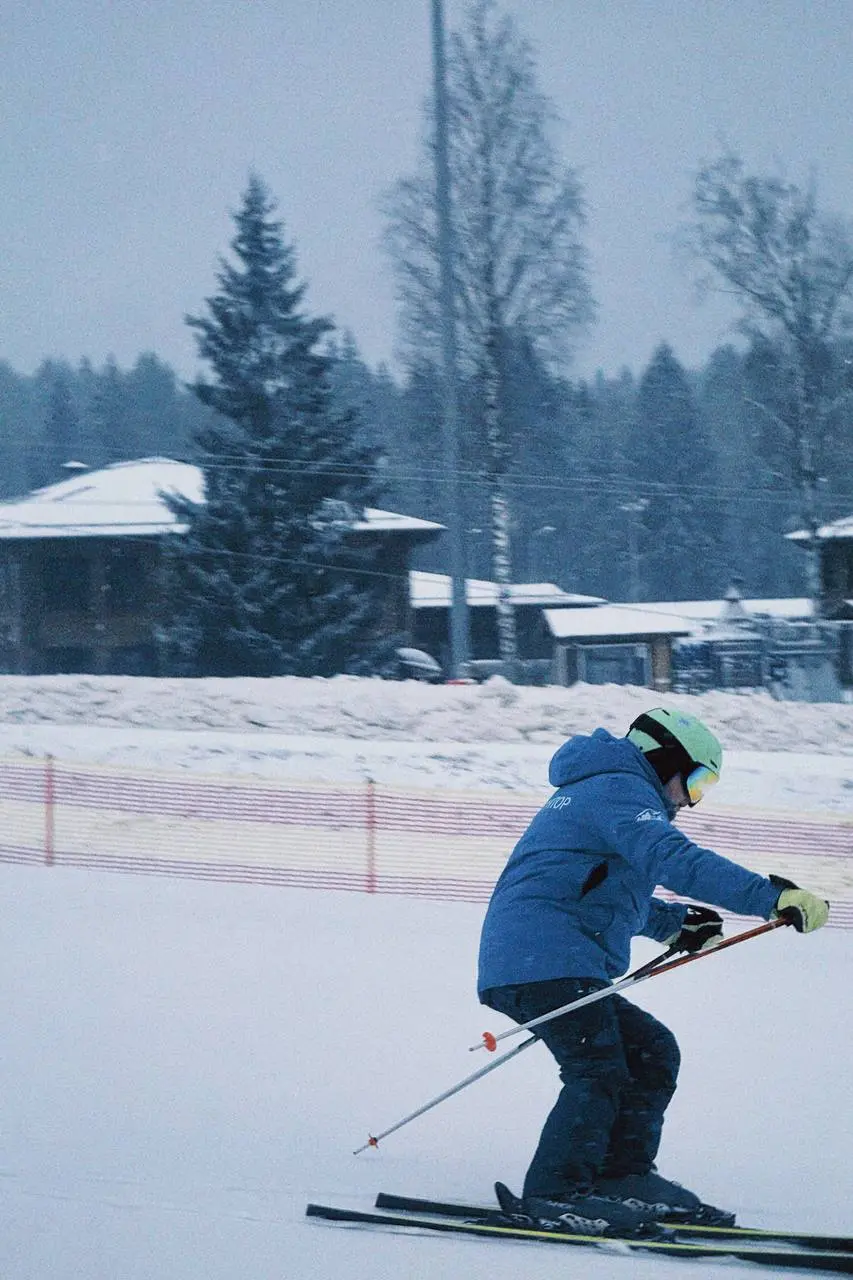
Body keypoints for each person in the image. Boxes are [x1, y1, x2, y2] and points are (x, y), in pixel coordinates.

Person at [477, 707, 830, 1237]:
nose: (691, 800)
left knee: (651, 1051)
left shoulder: (607, 789)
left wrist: (674, 925)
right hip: (542, 959)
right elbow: (675, 860)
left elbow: (603, 889)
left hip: (545, 958)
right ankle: (555, 1192)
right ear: (664, 760)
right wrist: (769, 896)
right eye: (696, 781)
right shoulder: (617, 788)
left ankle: (622, 1175)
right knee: (599, 1067)